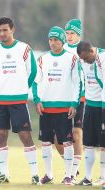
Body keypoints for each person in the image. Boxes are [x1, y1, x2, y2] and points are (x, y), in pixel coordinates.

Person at [0, 17, 39, 184]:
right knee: (1, 135)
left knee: (25, 135)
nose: (1, 33)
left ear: (12, 30)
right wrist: (1, 88)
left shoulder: (24, 49)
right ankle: (3, 173)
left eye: (5, 30)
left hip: (18, 100)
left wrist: (21, 89)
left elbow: (32, 72)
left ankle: (35, 174)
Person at [32, 26, 81, 185]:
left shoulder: (72, 59)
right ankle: (49, 174)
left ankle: (68, 175)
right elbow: (36, 82)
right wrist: (37, 100)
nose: (53, 43)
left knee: (67, 142)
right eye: (50, 40)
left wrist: (74, 103)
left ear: (62, 41)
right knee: (46, 142)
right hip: (46, 107)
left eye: (56, 40)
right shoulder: (42, 59)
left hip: (64, 107)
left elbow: (77, 83)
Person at [54, 19, 84, 182]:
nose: (69, 36)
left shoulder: (83, 49)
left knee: (77, 135)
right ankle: (71, 166)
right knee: (57, 140)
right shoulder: (60, 48)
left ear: (78, 34)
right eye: (67, 33)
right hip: (62, 99)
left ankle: (72, 173)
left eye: (72, 33)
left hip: (81, 98)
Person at [76, 41, 105, 186]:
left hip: (102, 106)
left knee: (103, 144)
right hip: (90, 106)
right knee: (88, 143)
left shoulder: (103, 57)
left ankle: (103, 177)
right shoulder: (83, 62)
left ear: (92, 52)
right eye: (83, 59)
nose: (85, 61)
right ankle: (87, 178)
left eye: (86, 58)